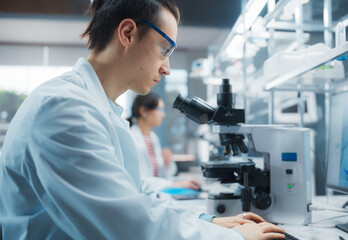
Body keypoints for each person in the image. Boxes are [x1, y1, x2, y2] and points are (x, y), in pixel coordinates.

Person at [0, 0, 286, 239]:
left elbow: (135, 196)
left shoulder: (96, 108)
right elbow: (128, 225)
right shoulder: (63, 108)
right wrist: (234, 237)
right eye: (165, 49)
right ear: (127, 33)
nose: (167, 69)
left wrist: (205, 220)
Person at [128, 93, 200, 191]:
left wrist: (167, 162)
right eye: (159, 110)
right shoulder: (132, 138)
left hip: (155, 192)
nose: (163, 115)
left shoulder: (153, 138)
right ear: (143, 111)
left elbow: (161, 175)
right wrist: (175, 184)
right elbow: (140, 181)